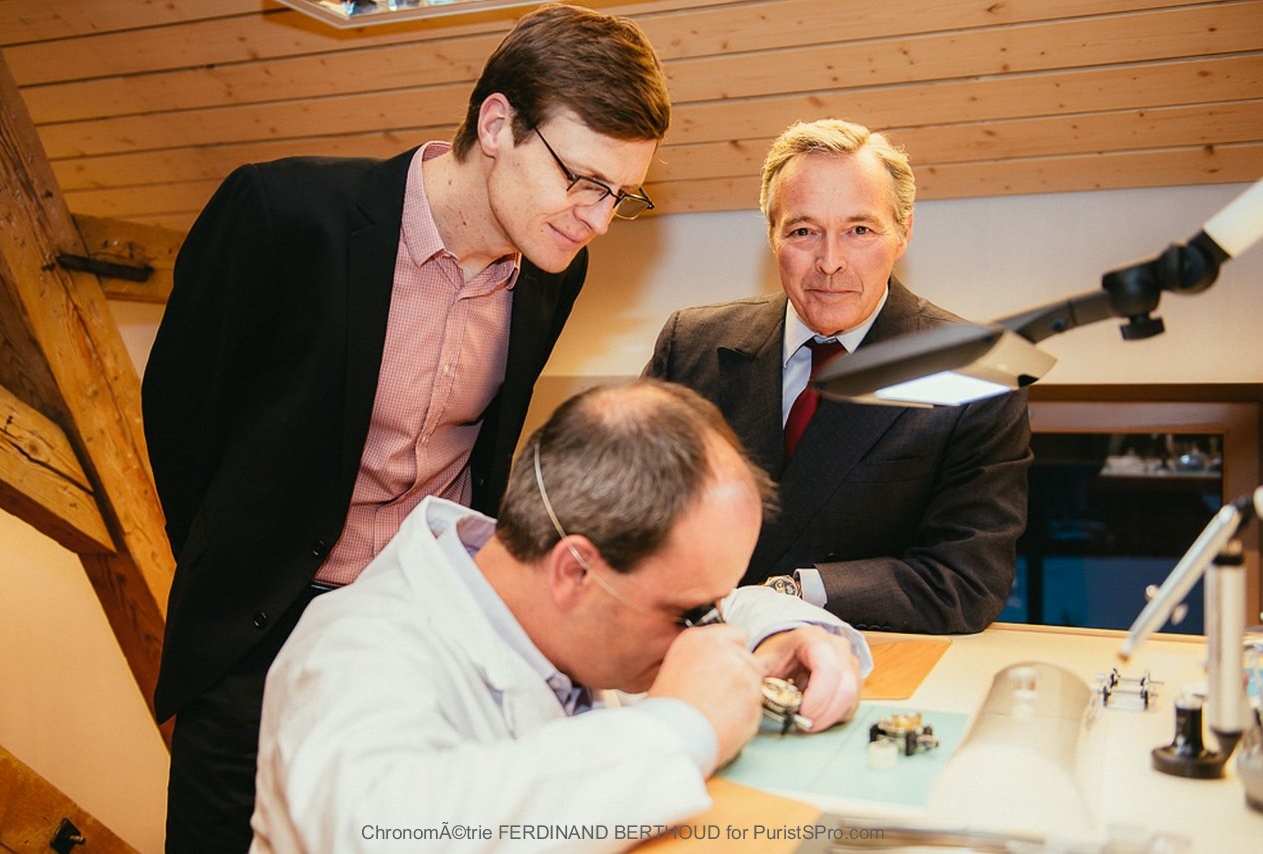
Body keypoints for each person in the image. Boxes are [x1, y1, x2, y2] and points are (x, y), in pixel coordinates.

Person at [141, 5, 671, 851]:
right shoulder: (283, 214)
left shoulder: (549, 274)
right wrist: (239, 564)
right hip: (257, 639)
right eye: (583, 179)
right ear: (497, 123)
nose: (597, 218)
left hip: (424, 640)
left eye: (619, 194)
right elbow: (181, 419)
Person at [250, 379, 870, 852]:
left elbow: (713, 592)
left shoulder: (540, 575)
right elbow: (378, 832)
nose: (714, 628)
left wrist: (792, 631)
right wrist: (679, 728)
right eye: (691, 614)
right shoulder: (354, 653)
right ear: (575, 570)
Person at [645, 118, 1031, 635]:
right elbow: (626, 516)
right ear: (772, 235)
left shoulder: (979, 372)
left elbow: (964, 581)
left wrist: (791, 592)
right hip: (688, 652)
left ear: (902, 233)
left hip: (862, 662)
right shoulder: (689, 345)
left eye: (859, 230)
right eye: (804, 231)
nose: (830, 262)